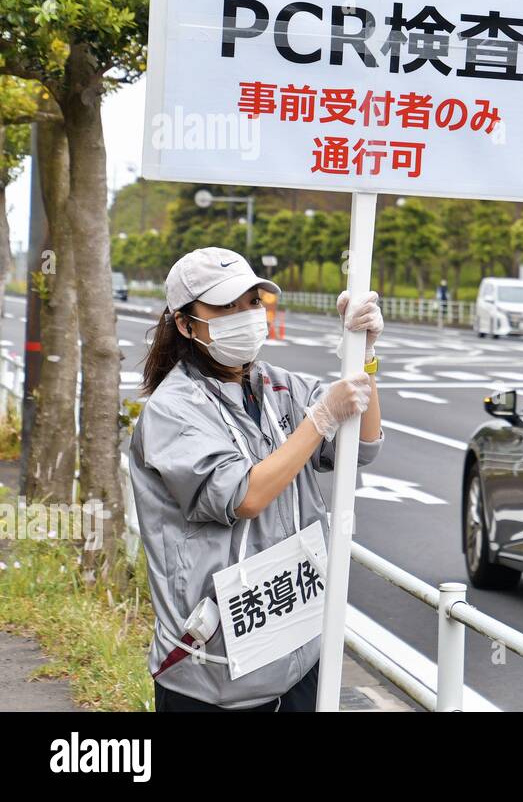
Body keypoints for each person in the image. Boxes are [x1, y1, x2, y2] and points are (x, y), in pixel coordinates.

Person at [129, 247, 385, 712]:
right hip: (213, 669)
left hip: (296, 654)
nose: (246, 316)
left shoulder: (278, 386)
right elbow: (244, 495)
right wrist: (321, 417)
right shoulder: (173, 410)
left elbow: (363, 445)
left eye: (251, 303)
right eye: (225, 307)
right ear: (186, 325)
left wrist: (363, 356)